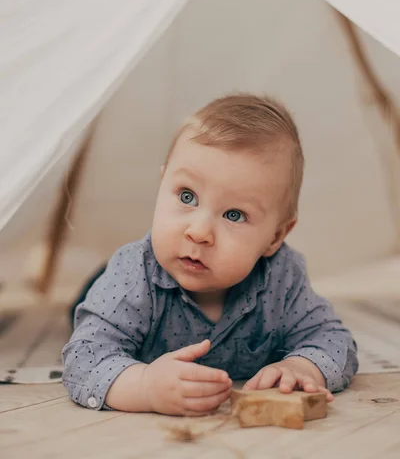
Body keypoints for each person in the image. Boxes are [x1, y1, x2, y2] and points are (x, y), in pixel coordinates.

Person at [62, 93, 358, 416]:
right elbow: (83, 356)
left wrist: (303, 366)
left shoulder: (282, 278)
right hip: (115, 286)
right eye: (187, 196)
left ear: (275, 236)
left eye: (233, 215)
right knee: (87, 306)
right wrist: (144, 385)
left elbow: (334, 339)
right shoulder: (134, 273)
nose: (199, 232)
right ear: (163, 184)